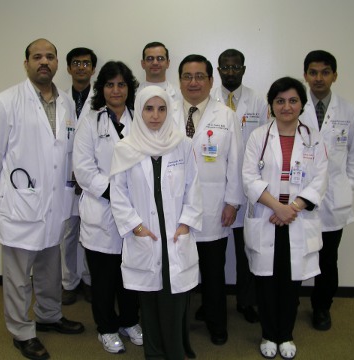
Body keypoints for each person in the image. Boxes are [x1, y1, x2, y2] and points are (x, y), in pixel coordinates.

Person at [0, 38, 85, 360]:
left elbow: (69, 153)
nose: (44, 61)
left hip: (55, 205)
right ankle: (21, 331)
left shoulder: (67, 103)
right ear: (25, 63)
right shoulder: (6, 101)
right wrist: (7, 193)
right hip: (21, 205)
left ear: (57, 64)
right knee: (17, 276)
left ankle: (50, 316)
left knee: (49, 270)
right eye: (37, 56)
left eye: (50, 57)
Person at [110, 86, 203, 360]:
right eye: (148, 109)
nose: (155, 115)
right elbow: (119, 193)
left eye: (161, 109)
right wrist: (136, 227)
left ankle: (175, 353)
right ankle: (154, 354)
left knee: (175, 302)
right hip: (146, 236)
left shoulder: (182, 144)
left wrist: (186, 224)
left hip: (175, 236)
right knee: (148, 304)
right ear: (139, 111)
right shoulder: (125, 148)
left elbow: (193, 187)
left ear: (169, 110)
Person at [242, 77, 328, 359]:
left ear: (301, 104)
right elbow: (249, 178)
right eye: (280, 101)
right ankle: (269, 333)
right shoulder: (258, 136)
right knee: (266, 282)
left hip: (296, 220)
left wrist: (293, 207)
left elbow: (320, 179)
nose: (286, 106)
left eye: (292, 101)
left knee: (291, 283)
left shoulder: (313, 138)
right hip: (269, 217)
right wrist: (278, 208)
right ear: (272, 105)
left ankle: (286, 335)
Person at [172, 54, 243, 346]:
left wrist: (232, 202)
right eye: (187, 76)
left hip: (214, 207)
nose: (193, 82)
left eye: (200, 76)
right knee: (178, 269)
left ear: (211, 81)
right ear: (179, 81)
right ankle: (176, 324)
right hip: (176, 207)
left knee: (214, 273)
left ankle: (217, 324)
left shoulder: (225, 115)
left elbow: (235, 162)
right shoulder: (168, 111)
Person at [73, 61, 142, 354]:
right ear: (102, 88)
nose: (116, 90)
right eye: (111, 84)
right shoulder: (90, 121)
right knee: (103, 279)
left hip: (135, 212)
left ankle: (129, 321)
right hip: (102, 210)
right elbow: (84, 169)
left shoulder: (140, 118)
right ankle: (107, 328)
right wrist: (117, 193)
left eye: (122, 84)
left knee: (132, 275)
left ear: (129, 88)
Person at [301, 50, 354, 331]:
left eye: (325, 72)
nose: (318, 78)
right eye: (313, 72)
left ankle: (321, 307)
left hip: (333, 201)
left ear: (334, 76)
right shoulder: (294, 106)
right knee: (297, 254)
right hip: (300, 199)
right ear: (305, 75)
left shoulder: (348, 110)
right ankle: (289, 303)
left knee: (328, 260)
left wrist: (345, 187)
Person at [211, 48, 268, 323]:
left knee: (246, 251)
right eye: (225, 67)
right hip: (216, 188)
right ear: (218, 69)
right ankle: (213, 302)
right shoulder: (209, 100)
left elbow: (266, 142)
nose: (230, 72)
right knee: (214, 253)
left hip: (248, 190)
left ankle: (247, 302)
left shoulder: (258, 101)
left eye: (236, 67)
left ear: (244, 69)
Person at [60, 47, 97, 305]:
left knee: (91, 229)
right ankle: (68, 282)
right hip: (63, 176)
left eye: (86, 63)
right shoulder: (60, 99)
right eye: (76, 63)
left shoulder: (101, 98)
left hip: (91, 175)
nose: (81, 67)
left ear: (93, 69)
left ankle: (88, 280)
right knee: (69, 233)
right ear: (69, 68)